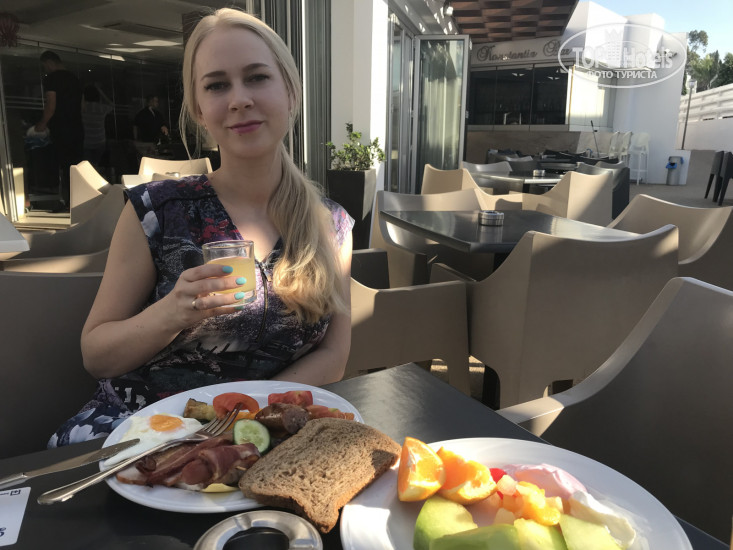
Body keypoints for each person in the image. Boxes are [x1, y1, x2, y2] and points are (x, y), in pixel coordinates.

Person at [49, 8, 354, 446]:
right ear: (198, 110)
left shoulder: (332, 225)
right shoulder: (155, 211)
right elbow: (96, 357)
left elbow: (334, 355)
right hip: (140, 430)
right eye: (216, 85)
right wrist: (172, 313)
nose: (239, 99)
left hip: (260, 435)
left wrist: (249, 418)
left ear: (291, 91)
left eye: (257, 77)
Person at [35, 50, 84, 207]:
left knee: (63, 165)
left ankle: (67, 201)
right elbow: (81, 105)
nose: (45, 69)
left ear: (49, 63)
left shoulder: (52, 79)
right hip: (77, 127)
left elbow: (51, 105)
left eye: (45, 66)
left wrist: (42, 123)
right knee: (76, 166)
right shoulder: (75, 79)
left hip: (61, 128)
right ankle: (78, 201)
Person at [81, 84, 113, 170]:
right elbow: (111, 105)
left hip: (86, 142)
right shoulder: (102, 108)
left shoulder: (83, 108)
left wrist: (82, 94)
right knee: (95, 166)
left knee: (86, 168)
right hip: (100, 141)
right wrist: (100, 91)